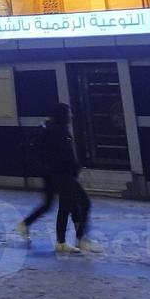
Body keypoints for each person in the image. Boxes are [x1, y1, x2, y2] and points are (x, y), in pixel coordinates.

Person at [40, 103, 98, 253]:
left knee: (70, 206)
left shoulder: (55, 130)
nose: (71, 116)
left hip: (61, 174)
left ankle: (73, 240)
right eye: (69, 113)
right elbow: (63, 155)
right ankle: (68, 241)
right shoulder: (58, 132)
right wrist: (73, 167)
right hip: (63, 175)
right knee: (80, 203)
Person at [17, 115, 59, 241]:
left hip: (50, 171)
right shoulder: (53, 132)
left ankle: (25, 223)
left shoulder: (45, 130)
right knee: (70, 203)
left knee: (48, 204)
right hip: (54, 171)